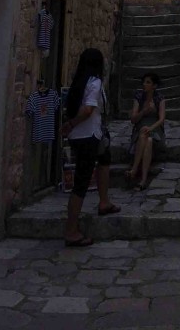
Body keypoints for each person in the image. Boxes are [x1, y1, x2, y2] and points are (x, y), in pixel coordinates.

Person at [61, 48, 120, 246]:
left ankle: (104, 202)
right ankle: (71, 231)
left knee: (105, 160)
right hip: (88, 135)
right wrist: (71, 124)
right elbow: (88, 109)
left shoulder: (78, 82)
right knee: (81, 183)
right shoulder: (94, 83)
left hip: (87, 135)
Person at [126, 72, 166, 190]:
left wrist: (151, 128)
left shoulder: (160, 98)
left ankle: (134, 170)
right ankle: (143, 180)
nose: (144, 84)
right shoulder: (139, 97)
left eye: (148, 82)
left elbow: (162, 119)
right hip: (141, 129)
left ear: (154, 85)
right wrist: (144, 111)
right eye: (144, 82)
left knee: (147, 135)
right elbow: (133, 119)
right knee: (147, 139)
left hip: (155, 129)